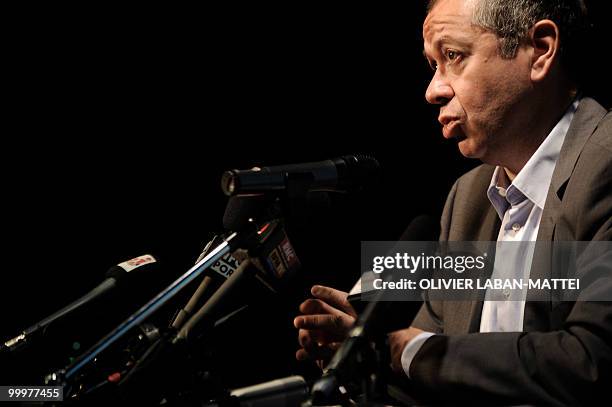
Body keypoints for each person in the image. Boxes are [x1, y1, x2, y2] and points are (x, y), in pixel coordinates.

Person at [294, 0, 612, 404]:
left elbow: (592, 360)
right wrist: (364, 359)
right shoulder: (466, 200)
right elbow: (437, 375)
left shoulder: (605, 165)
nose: (433, 90)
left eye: (453, 56)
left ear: (541, 50)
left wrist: (402, 350)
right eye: (433, 65)